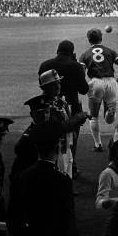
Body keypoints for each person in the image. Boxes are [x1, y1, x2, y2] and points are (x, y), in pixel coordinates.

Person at [7, 121, 83, 236]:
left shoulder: (21, 179)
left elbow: (13, 221)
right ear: (58, 147)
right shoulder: (62, 181)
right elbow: (67, 223)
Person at [39, 40, 89, 175]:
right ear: (72, 53)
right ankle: (70, 167)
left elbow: (42, 84)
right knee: (70, 139)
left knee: (50, 137)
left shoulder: (45, 65)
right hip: (71, 107)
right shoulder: (76, 66)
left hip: (47, 108)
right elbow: (84, 89)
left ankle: (49, 164)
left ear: (58, 51)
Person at [79, 28, 118, 153]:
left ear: (89, 40)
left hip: (96, 82)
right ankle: (110, 113)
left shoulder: (85, 54)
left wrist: (84, 85)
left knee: (93, 117)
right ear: (101, 38)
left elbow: (81, 72)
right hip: (111, 82)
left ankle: (98, 145)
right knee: (109, 119)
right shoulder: (110, 51)